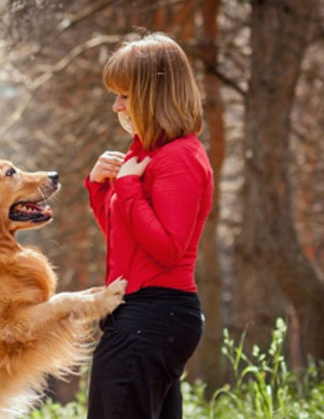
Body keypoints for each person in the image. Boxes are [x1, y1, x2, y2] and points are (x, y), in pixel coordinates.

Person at [84, 32, 214, 419]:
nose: (115, 106)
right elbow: (130, 246)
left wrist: (127, 187)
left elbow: (169, 248)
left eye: (124, 95)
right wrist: (98, 188)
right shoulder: (146, 153)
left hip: (154, 316)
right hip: (142, 314)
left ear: (152, 95)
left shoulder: (179, 158)